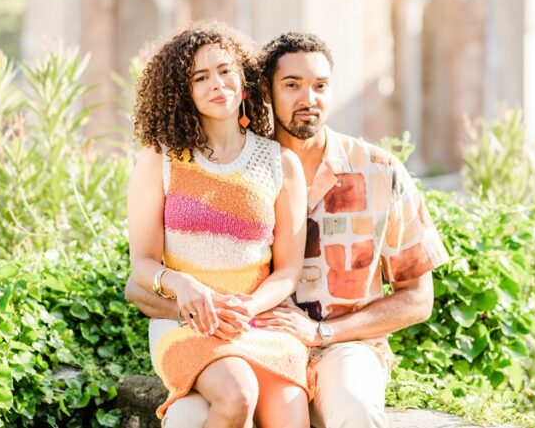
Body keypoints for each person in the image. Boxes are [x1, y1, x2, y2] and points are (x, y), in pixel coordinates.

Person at [128, 31, 449, 428]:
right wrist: (200, 304)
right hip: (244, 331)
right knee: (197, 414)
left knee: (354, 408)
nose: (307, 99)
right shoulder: (226, 160)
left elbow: (418, 299)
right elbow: (139, 281)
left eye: (320, 86)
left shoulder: (377, 172)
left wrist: (322, 332)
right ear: (264, 89)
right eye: (292, 85)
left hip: (340, 346)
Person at [126, 21, 310, 428]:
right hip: (185, 324)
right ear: (183, 91)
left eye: (225, 70)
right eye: (200, 77)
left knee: (291, 416)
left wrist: (247, 307)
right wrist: (182, 285)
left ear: (243, 78)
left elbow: (287, 271)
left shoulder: (281, 164)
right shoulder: (161, 159)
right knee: (238, 394)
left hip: (255, 320)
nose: (217, 84)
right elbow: (141, 262)